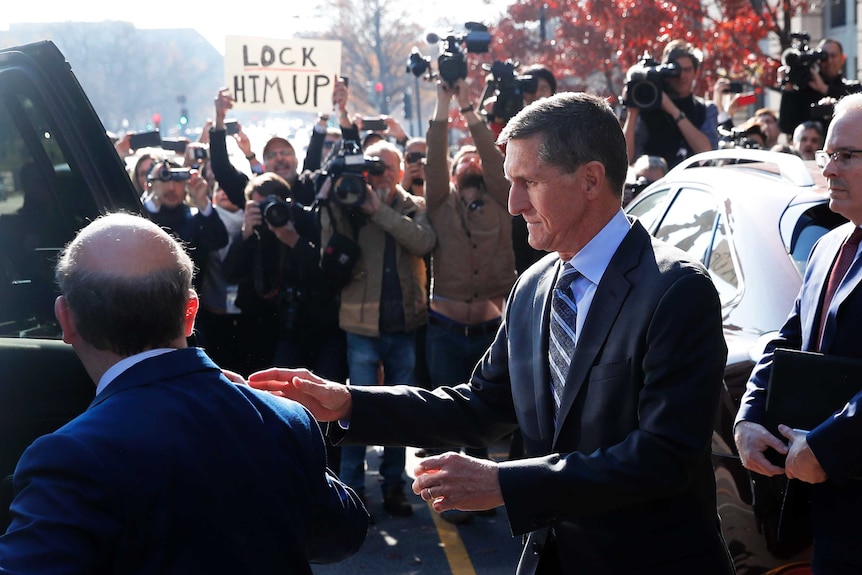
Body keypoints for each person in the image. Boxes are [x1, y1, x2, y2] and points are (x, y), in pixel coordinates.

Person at [250, 92, 735, 574]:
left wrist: (506, 482)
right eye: (510, 182)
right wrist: (352, 403)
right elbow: (480, 404)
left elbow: (665, 457)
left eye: (528, 182)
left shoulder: (676, 291)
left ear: (590, 179)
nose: (513, 202)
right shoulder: (534, 287)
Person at [0, 212, 368, 571]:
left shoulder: (68, 459)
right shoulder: (283, 417)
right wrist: (271, 425)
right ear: (191, 311)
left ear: (65, 318)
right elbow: (345, 533)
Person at [734, 92, 862, 574]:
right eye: (827, 154)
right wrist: (749, 417)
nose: (828, 169)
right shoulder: (831, 243)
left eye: (846, 155)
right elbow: (788, 338)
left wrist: (829, 446)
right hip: (829, 518)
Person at [318, 139, 436, 518]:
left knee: (398, 414)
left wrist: (378, 209)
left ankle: (394, 488)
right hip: (361, 326)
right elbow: (328, 248)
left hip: (403, 323)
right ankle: (351, 492)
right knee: (354, 413)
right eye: (372, 170)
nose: (378, 177)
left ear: (400, 171)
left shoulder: (413, 206)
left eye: (385, 169)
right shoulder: (347, 206)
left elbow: (423, 241)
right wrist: (331, 198)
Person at [419, 78, 516, 523]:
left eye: (475, 157)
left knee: (484, 420)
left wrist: (469, 110)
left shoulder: (502, 197)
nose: (470, 161)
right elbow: (435, 159)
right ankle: (445, 497)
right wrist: (442, 106)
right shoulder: (439, 202)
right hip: (444, 329)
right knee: (443, 419)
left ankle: (481, 491)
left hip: (492, 329)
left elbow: (495, 160)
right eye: (463, 160)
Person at [624, 39, 718, 168]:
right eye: (676, 71)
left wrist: (672, 109)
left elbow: (706, 152)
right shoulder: (649, 110)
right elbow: (625, 159)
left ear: (695, 73)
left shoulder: (705, 109)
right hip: (655, 184)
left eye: (687, 70)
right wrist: (633, 111)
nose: (682, 76)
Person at [779, 38, 862, 136]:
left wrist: (824, 89)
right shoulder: (805, 92)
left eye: (833, 56)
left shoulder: (853, 89)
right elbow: (786, 126)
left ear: (843, 58)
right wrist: (788, 87)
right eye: (824, 57)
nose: (829, 61)